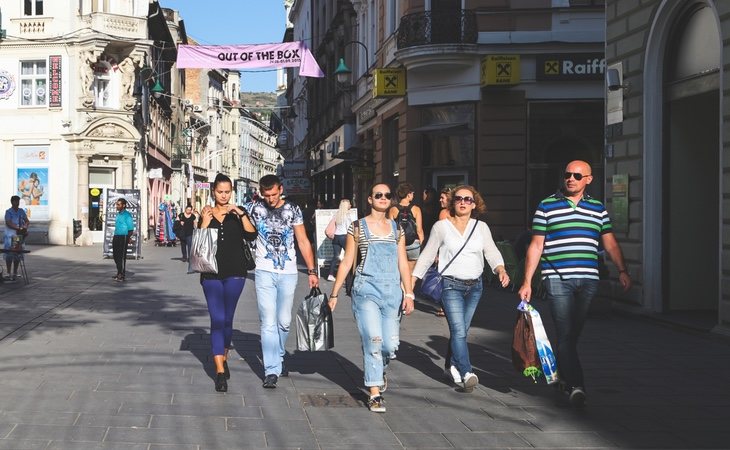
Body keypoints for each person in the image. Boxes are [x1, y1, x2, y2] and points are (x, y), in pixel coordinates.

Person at [518, 160, 632, 407]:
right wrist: (527, 281)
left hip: (589, 280)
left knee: (572, 334)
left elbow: (610, 242)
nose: (571, 178)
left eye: (577, 175)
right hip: (557, 278)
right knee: (566, 333)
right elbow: (536, 245)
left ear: (588, 179)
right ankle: (576, 385)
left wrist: (622, 269)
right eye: (567, 174)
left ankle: (560, 377)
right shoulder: (547, 205)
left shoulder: (597, 208)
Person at [412, 185, 509, 392]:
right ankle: (466, 371)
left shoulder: (481, 227)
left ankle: (449, 366)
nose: (463, 202)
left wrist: (500, 269)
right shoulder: (441, 227)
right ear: (452, 202)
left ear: (474, 204)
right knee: (458, 330)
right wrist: (412, 282)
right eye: (458, 199)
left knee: (461, 331)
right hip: (451, 285)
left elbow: (490, 251)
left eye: (468, 199)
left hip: (475, 287)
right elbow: (428, 255)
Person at [329, 183, 415, 413]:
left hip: (392, 293)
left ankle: (380, 370)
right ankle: (375, 392)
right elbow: (348, 261)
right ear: (369, 199)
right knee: (374, 341)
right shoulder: (357, 227)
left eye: (387, 195)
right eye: (378, 195)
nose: (383, 198)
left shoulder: (397, 229)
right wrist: (334, 293)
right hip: (365, 290)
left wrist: (409, 293)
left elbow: (403, 264)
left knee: (390, 345)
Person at [245, 174, 319, 389]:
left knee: (284, 321)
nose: (271, 199)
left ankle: (277, 355)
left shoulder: (293, 210)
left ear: (281, 189)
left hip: (288, 272)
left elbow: (303, 241)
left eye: (274, 194)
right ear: (261, 192)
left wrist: (312, 271)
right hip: (264, 271)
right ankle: (271, 370)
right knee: (268, 322)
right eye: (266, 195)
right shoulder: (253, 209)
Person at [198, 174, 257, 392]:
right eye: (220, 191)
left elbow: (252, 236)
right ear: (213, 191)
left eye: (227, 192)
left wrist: (241, 214)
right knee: (217, 318)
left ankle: (224, 354)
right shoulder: (205, 212)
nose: (224, 196)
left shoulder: (238, 212)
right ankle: (220, 371)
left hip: (236, 272)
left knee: (228, 318)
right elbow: (197, 243)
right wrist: (204, 222)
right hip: (210, 273)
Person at [388, 182, 424, 273]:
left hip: (399, 243)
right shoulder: (416, 209)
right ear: (408, 194)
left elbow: (391, 229)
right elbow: (419, 230)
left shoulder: (392, 210)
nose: (413, 195)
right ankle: (409, 287)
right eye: (412, 193)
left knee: (400, 270)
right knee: (411, 272)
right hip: (414, 244)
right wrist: (422, 244)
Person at [4, 196, 29, 281]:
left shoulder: (21, 211)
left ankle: (15, 272)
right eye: (16, 201)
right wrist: (18, 228)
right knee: (10, 254)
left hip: (19, 236)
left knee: (17, 253)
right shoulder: (8, 212)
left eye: (18, 201)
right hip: (11, 235)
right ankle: (8, 272)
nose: (17, 203)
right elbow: (9, 223)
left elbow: (26, 220)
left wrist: (25, 226)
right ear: (12, 202)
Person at [325, 199, 352, 282]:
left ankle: (330, 274)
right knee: (348, 256)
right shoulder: (347, 216)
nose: (350, 205)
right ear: (346, 206)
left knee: (336, 256)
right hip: (344, 237)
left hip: (336, 237)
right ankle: (347, 274)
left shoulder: (337, 215)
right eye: (349, 204)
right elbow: (349, 228)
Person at [112, 198, 135, 282]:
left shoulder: (127, 215)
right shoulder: (118, 214)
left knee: (121, 256)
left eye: (119, 204)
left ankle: (121, 274)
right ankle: (119, 271)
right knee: (115, 255)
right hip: (116, 236)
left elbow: (131, 229)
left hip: (124, 236)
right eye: (116, 204)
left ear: (123, 205)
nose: (117, 206)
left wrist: (128, 238)